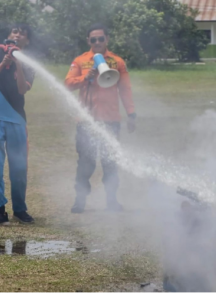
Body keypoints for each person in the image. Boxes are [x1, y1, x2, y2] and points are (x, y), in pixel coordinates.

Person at [65, 23, 136, 213]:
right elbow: (68, 84)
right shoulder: (80, 61)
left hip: (111, 120)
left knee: (110, 163)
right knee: (86, 163)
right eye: (93, 39)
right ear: (88, 41)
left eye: (101, 39)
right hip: (86, 121)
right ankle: (80, 200)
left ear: (107, 39)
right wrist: (85, 78)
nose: (97, 42)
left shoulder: (117, 62)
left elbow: (125, 89)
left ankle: (112, 201)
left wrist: (131, 113)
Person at [0, 24, 36, 225]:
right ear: (8, 36)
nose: (17, 35)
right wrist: (3, 63)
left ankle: (20, 209)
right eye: (14, 32)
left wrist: (18, 64)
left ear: (27, 41)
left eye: (22, 33)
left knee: (19, 167)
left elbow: (22, 89)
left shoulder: (29, 63)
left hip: (16, 119)